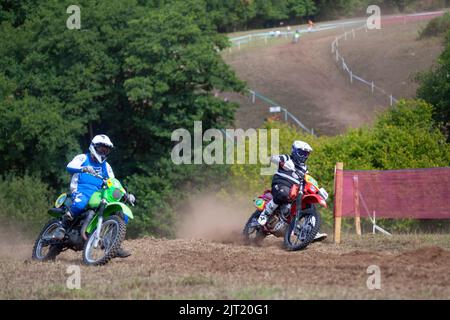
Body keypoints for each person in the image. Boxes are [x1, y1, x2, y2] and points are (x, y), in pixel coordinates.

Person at [59, 134, 134, 258]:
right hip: (80, 189)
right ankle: (62, 227)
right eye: (101, 148)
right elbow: (69, 167)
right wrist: (83, 168)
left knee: (122, 214)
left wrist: (125, 194)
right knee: (80, 204)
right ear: (94, 147)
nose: (103, 151)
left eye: (106, 149)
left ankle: (112, 243)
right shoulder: (83, 157)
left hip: (97, 193)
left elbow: (113, 182)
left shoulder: (106, 166)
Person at [257, 141, 327, 240]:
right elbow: (273, 158)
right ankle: (265, 214)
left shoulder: (304, 168)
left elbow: (307, 179)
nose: (303, 156)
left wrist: (318, 190)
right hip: (281, 183)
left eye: (306, 154)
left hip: (294, 189)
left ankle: (310, 231)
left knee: (309, 204)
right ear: (294, 151)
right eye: (301, 153)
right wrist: (282, 163)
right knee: (283, 194)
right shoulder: (287, 158)